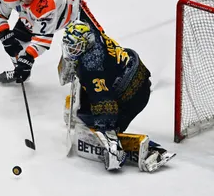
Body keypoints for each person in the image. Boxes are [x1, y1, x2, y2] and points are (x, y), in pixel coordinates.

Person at [58, 21, 175, 172]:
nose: (72, 50)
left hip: (133, 95)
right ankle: (90, 115)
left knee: (95, 118)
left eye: (76, 47)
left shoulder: (91, 68)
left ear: (86, 43)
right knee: (88, 97)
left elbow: (103, 99)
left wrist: (106, 131)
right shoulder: (94, 37)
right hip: (132, 73)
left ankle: (152, 151)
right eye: (70, 46)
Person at [0, 0, 102, 83]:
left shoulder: (45, 3)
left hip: (70, 11)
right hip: (32, 15)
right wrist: (5, 34)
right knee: (14, 43)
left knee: (96, 44)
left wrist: (28, 57)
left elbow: (42, 39)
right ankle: (20, 72)